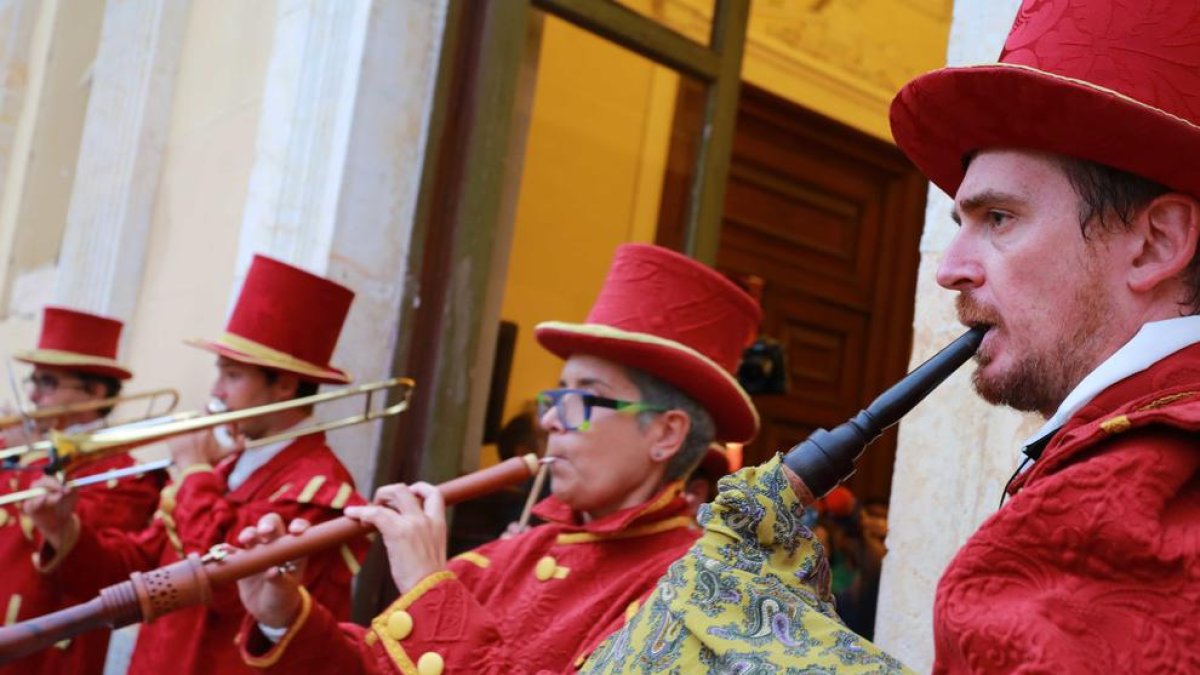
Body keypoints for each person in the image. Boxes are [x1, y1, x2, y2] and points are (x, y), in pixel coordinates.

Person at [583, 0, 1200, 672]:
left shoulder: (1135, 497)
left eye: (998, 216)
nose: (949, 269)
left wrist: (762, 640)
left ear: (1154, 242)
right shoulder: (1119, 452)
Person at [232, 243, 762, 673]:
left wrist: (425, 590)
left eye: (583, 398)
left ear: (665, 435)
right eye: (555, 398)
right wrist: (286, 617)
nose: (550, 420)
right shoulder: (511, 557)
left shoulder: (702, 589)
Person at [23, 255, 370, 674]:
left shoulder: (316, 487)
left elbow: (225, 588)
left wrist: (192, 471)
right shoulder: (223, 469)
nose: (215, 391)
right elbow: (138, 570)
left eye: (232, 376)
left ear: (283, 385)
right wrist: (64, 530)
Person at [0, 307, 165, 675]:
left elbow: (101, 572)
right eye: (34, 380)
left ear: (94, 392)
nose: (34, 395)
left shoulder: (125, 474)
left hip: (47, 655)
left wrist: (31, 464)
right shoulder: (12, 448)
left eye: (48, 383)